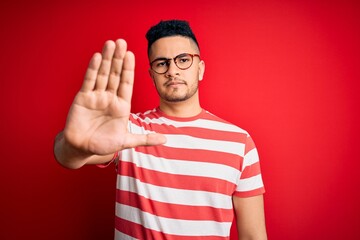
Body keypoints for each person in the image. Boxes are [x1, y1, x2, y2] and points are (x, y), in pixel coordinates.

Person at [54, 20, 267, 240]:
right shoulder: (128, 130)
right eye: (162, 63)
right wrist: (74, 144)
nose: (172, 71)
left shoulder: (240, 143)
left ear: (200, 69)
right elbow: (66, 157)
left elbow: (254, 235)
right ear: (152, 74)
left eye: (183, 60)